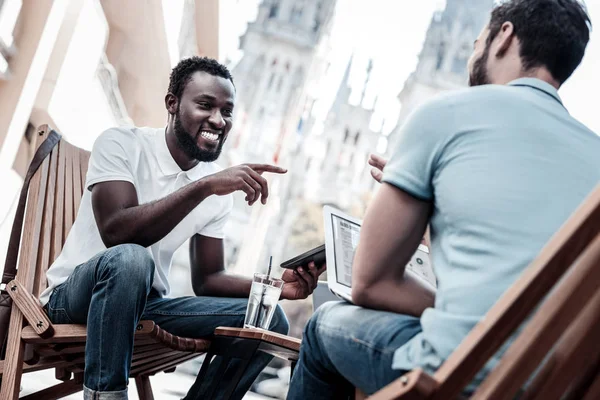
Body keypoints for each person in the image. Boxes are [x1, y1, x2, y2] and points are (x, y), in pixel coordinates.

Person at [287, 0, 600, 398]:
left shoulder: (445, 115)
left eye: (478, 38)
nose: (473, 49)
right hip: (556, 385)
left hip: (460, 376)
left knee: (323, 325)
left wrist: (468, 315)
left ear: (504, 36)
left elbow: (370, 283)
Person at [39, 56, 325, 400]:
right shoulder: (121, 143)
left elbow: (208, 279)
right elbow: (118, 233)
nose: (218, 120)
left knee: (269, 317)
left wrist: (279, 288)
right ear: (172, 103)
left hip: (146, 307)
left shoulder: (217, 190)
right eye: (205, 105)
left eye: (227, 111)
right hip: (73, 299)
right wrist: (203, 187)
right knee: (131, 260)